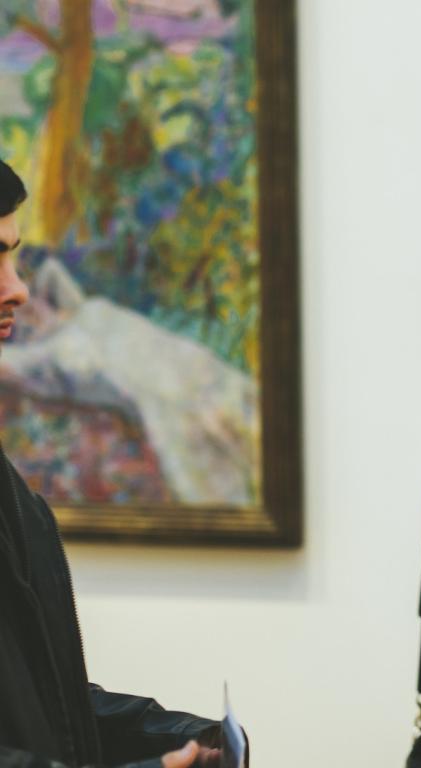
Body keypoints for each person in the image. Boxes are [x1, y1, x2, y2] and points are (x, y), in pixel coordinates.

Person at [0, 160, 231, 768]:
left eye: (14, 258)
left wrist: (180, 737)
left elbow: (44, 699)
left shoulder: (11, 491)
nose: (17, 289)